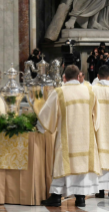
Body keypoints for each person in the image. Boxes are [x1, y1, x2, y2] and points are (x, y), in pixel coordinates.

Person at [39, 65, 101, 207]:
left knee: (63, 164)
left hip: (67, 138)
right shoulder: (89, 91)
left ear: (64, 77)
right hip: (85, 138)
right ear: (79, 76)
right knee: (83, 165)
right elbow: (97, 116)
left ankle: (55, 197)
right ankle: (81, 198)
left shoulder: (60, 92)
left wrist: (41, 127)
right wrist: (94, 127)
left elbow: (47, 113)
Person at [92, 65, 109, 198]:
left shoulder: (93, 89)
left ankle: (100, 190)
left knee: (99, 156)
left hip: (98, 129)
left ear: (98, 77)